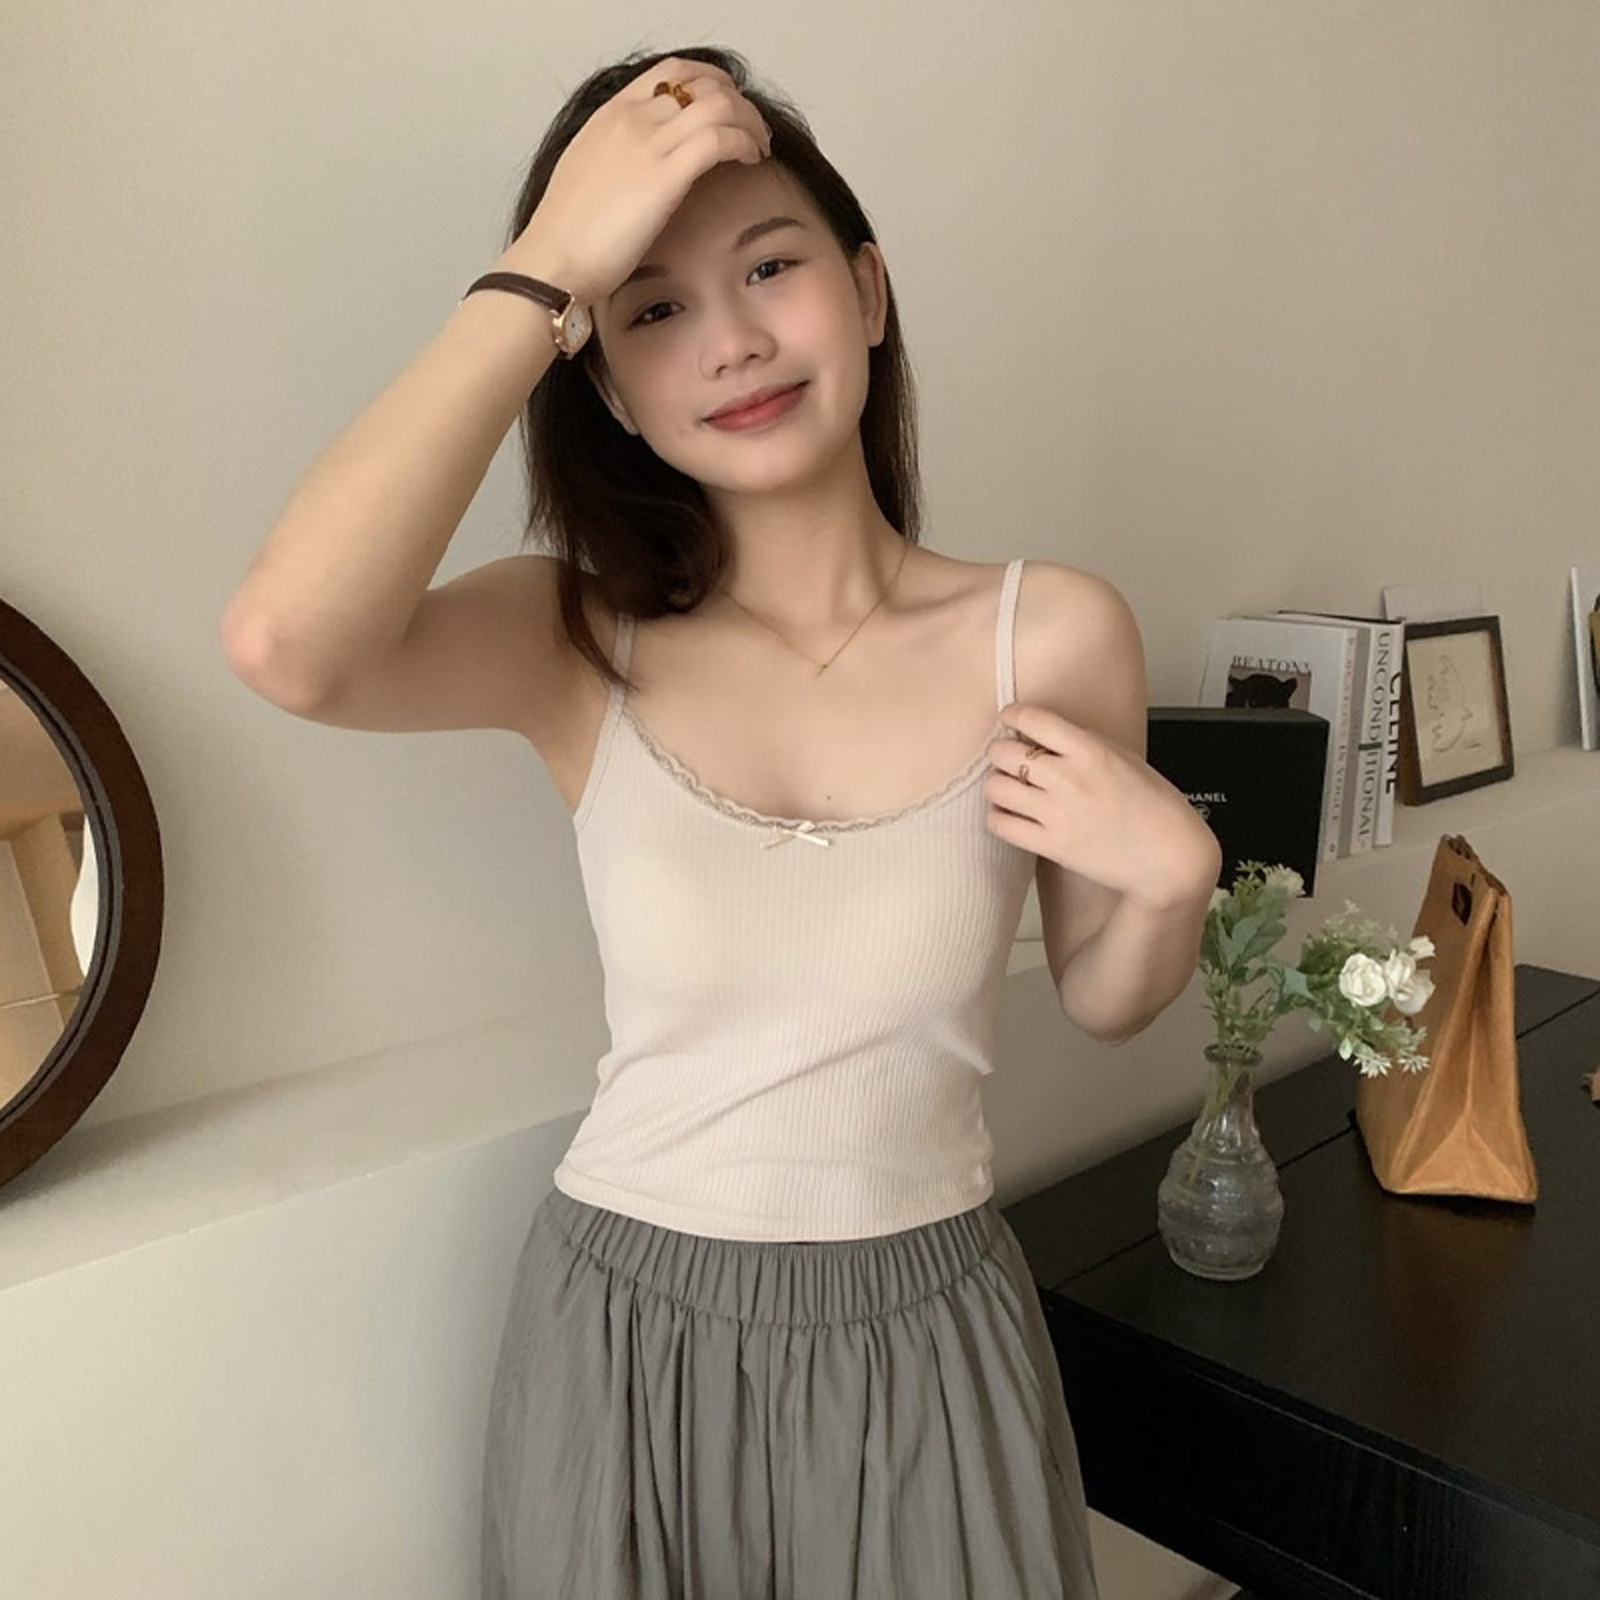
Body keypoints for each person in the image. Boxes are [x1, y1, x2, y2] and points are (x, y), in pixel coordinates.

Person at [221, 42, 1220, 1600]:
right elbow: (290, 643)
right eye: (652, 310)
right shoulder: (573, 639)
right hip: (624, 1335)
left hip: (927, 1334)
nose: (734, 342)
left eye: (770, 267)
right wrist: (550, 261)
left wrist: (1175, 878)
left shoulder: (1051, 633)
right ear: (605, 385)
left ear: (868, 290)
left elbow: (1102, 994)